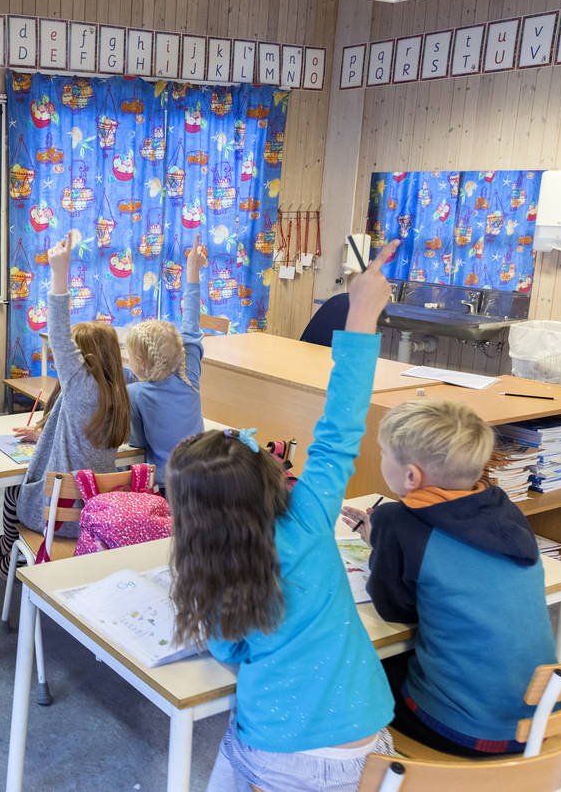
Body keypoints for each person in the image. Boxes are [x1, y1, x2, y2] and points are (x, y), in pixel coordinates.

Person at [167, 240, 402, 792]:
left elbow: (228, 650)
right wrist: (362, 312)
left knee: (227, 755)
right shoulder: (311, 513)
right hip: (371, 749)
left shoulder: (222, 572)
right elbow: (341, 427)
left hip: (279, 758)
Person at [341, 398, 555, 755]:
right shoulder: (503, 506)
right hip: (539, 721)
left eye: (382, 453)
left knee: (355, 672)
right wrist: (385, 541)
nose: (379, 458)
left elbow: (395, 610)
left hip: (463, 729)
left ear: (411, 476)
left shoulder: (397, 521)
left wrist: (382, 545)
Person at [0, 233, 131, 575]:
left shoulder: (81, 388)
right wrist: (43, 436)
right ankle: (7, 550)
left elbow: (59, 335)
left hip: (57, 517)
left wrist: (59, 273)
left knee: (13, 490)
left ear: (84, 360)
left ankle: (9, 557)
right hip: (95, 512)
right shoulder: (119, 391)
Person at [125, 242, 207, 492]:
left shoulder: (135, 394)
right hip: (204, 478)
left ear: (139, 363)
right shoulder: (188, 375)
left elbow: (137, 443)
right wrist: (193, 271)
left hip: (164, 488)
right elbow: (191, 327)